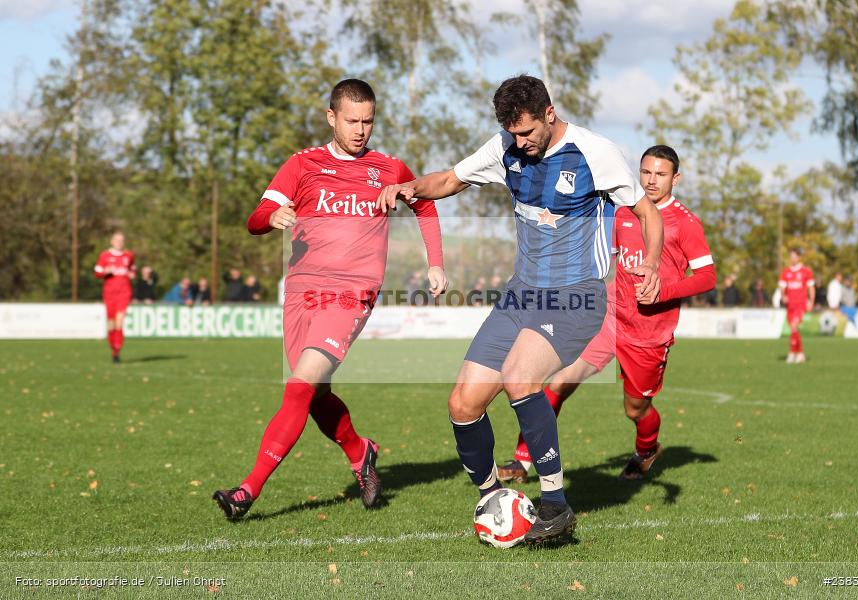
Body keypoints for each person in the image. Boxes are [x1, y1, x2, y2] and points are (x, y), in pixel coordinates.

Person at [377, 75, 662, 545]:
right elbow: (450, 179)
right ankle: (494, 499)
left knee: (519, 377)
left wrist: (650, 263)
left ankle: (555, 503)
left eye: (527, 132)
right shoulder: (506, 147)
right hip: (519, 295)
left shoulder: (595, 152)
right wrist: (410, 187)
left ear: (549, 114)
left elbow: (646, 212)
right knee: (463, 404)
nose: (521, 142)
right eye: (513, 133)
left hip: (575, 296)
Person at [212, 79, 447, 520]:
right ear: (331, 118)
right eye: (352, 121)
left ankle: (247, 491)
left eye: (368, 121)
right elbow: (254, 218)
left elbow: (426, 205)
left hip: (351, 292)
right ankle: (362, 453)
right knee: (315, 396)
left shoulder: (390, 168)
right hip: (301, 292)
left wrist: (435, 262)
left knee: (298, 389)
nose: (361, 130)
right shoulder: (302, 165)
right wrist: (272, 216)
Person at [496, 145, 715, 484]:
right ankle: (522, 460)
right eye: (646, 173)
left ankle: (646, 450)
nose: (652, 181)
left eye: (660, 174)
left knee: (635, 409)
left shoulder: (684, 223)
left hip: (649, 334)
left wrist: (664, 291)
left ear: (676, 178)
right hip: (609, 317)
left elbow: (707, 277)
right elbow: (603, 260)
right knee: (558, 383)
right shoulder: (624, 211)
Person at [93, 232, 136, 363]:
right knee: (111, 324)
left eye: (122, 240)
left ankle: (117, 347)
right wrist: (106, 271)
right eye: (117, 240)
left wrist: (132, 274)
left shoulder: (129, 255)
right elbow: (97, 272)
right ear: (112, 241)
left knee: (119, 321)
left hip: (124, 292)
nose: (120, 242)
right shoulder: (104, 255)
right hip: (109, 293)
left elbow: (132, 269)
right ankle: (114, 349)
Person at [778, 248, 815, 364]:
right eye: (791, 256)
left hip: (801, 304)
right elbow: (782, 287)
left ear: (799, 257)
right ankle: (800, 353)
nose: (792, 258)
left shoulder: (806, 271)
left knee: (794, 326)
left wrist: (811, 301)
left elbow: (811, 288)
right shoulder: (786, 272)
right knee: (794, 330)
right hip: (790, 305)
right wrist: (783, 295)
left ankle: (792, 353)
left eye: (794, 256)